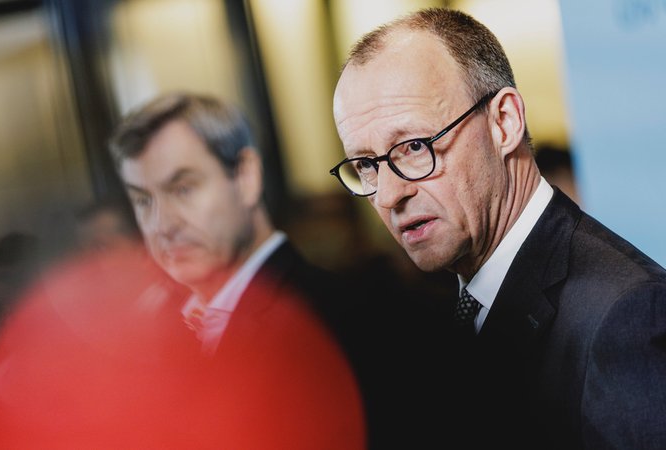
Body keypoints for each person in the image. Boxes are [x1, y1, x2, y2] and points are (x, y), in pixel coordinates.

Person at [330, 7, 666, 449]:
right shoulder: (438, 312)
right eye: (366, 165)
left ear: (504, 122)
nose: (389, 195)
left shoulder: (624, 316)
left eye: (413, 147)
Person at [108, 92, 365, 448]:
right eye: (143, 200)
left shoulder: (338, 319)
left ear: (246, 176)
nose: (161, 224)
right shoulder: (148, 335)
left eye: (183, 188)